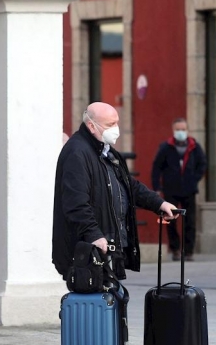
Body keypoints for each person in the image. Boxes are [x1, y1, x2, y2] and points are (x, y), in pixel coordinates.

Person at [52, 102, 178, 282]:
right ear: (91, 126)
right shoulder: (77, 153)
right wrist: (94, 235)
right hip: (89, 251)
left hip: (107, 246)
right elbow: (75, 202)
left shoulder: (105, 151)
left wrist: (159, 203)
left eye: (117, 123)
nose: (116, 129)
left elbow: (128, 184)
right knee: (94, 305)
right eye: (110, 125)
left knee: (111, 301)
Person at [151, 118, 206, 261]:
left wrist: (194, 178)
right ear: (173, 130)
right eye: (178, 129)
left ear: (187, 130)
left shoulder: (194, 146)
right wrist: (157, 187)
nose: (180, 132)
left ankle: (188, 252)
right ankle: (175, 249)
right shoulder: (166, 147)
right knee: (171, 221)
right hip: (171, 190)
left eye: (183, 129)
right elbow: (157, 167)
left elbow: (202, 164)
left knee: (190, 222)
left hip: (189, 190)